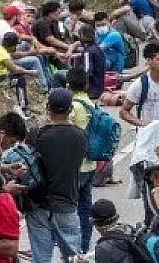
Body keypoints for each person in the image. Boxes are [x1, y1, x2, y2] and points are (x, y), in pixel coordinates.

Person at [26, 89, 87, 263]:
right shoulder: (80, 137)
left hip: (38, 204)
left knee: (41, 258)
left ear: (48, 108)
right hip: (67, 202)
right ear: (70, 110)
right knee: (73, 257)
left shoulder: (37, 136)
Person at [66, 69, 98, 253]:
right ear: (86, 85)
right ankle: (84, 248)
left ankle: (74, 250)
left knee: (71, 211)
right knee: (85, 211)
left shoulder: (74, 106)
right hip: (90, 163)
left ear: (68, 86)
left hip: (76, 166)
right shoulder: (90, 104)